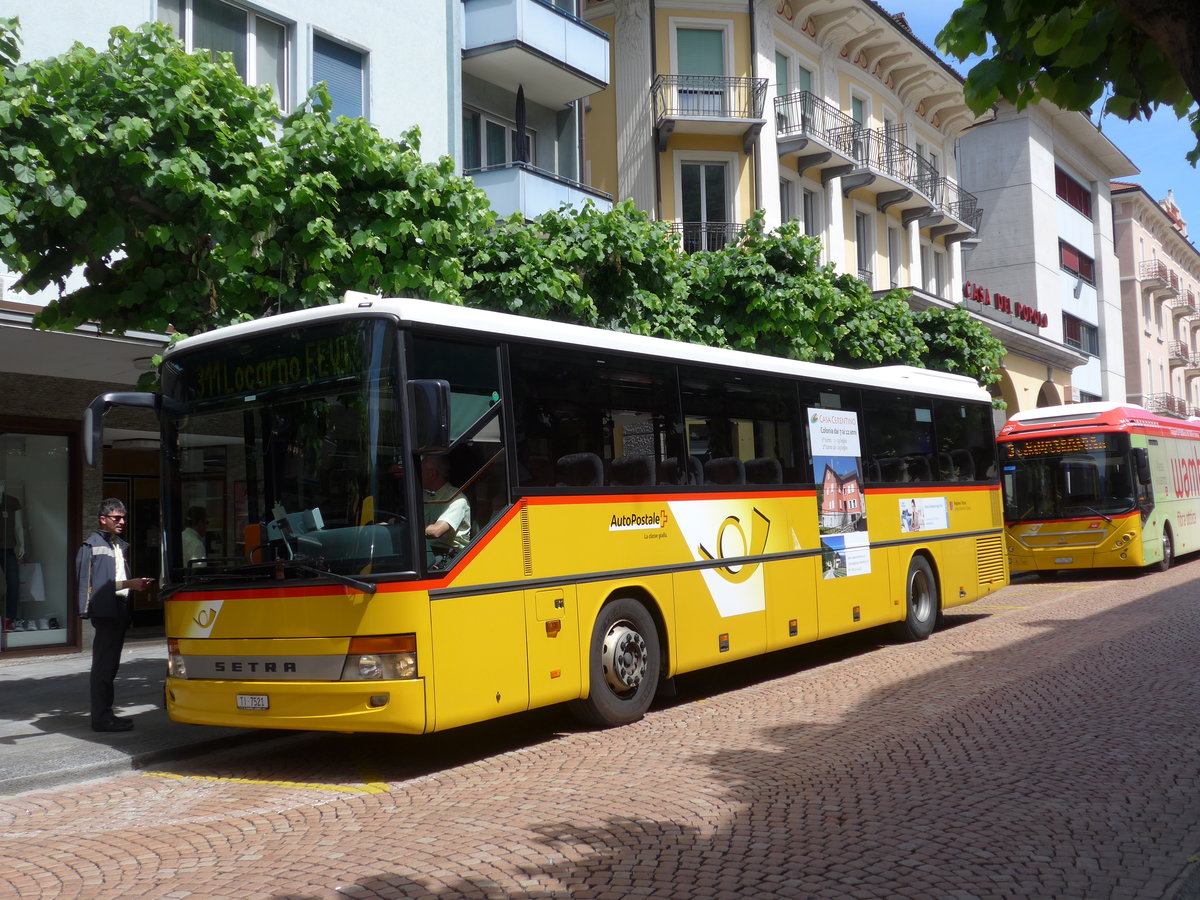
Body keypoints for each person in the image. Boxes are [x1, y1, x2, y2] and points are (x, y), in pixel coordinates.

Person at [76, 499, 153, 733]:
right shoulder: (93, 545)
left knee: (110, 666)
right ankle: (101, 718)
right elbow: (97, 585)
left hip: (118, 607)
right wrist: (131, 583)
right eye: (116, 518)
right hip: (106, 610)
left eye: (123, 518)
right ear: (103, 519)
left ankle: (106, 714)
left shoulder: (116, 545)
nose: (121, 522)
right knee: (104, 666)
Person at [421, 455, 471, 561]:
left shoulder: (457, 499)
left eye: (419, 471)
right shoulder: (423, 495)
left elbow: (436, 531)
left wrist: (406, 528)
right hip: (425, 550)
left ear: (432, 474)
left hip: (450, 557)